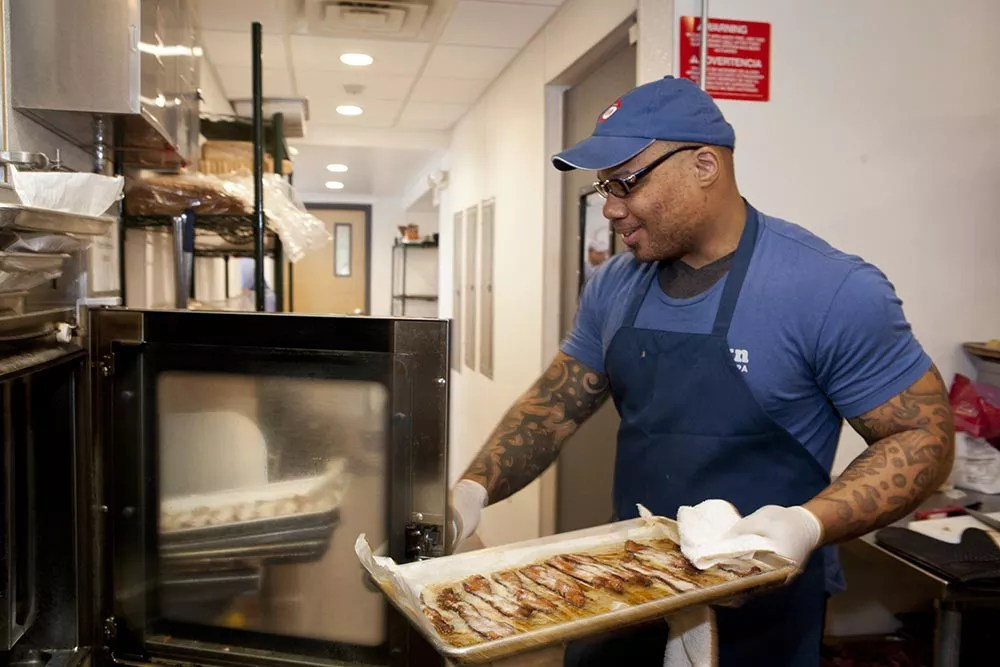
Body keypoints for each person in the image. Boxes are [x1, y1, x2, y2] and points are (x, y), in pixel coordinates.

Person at [447, 76, 954, 666]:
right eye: (603, 186)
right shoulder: (615, 283)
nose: (609, 207)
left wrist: (806, 525)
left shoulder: (830, 288)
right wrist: (473, 490)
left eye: (625, 183)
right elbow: (557, 405)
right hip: (632, 586)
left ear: (705, 165)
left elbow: (922, 438)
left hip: (763, 607)